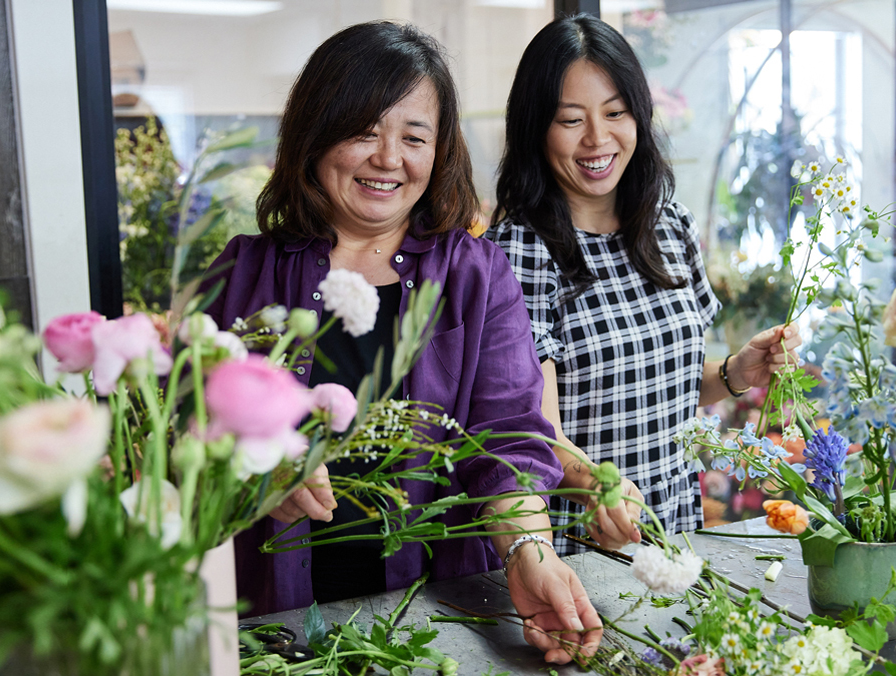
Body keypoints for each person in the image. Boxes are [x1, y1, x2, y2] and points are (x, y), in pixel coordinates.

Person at [201, 21, 600, 664]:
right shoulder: (243, 273)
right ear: (314, 133)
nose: (389, 159)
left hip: (436, 622)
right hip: (273, 623)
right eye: (363, 132)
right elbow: (180, 424)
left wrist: (531, 551)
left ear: (439, 152)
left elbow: (508, 439)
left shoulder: (476, 275)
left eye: (414, 137)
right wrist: (251, 461)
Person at [487, 14, 801, 554]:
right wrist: (600, 489)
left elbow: (658, 384)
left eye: (616, 113)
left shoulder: (667, 224)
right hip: (581, 538)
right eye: (570, 120)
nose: (597, 138)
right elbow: (535, 432)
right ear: (535, 128)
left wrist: (734, 372)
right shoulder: (521, 249)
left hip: (676, 528)